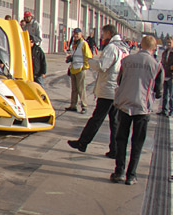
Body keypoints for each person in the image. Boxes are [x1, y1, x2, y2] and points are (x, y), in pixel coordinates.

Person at [67, 24, 128, 155]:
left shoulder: (112, 48)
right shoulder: (123, 47)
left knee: (97, 118)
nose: (102, 36)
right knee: (115, 121)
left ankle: (83, 142)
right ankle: (115, 149)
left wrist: (89, 61)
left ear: (109, 33)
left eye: (103, 33)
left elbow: (102, 66)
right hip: (117, 88)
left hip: (108, 89)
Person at [110, 36, 162, 185]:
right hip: (142, 108)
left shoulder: (127, 61)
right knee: (137, 142)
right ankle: (131, 175)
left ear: (140, 45)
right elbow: (158, 91)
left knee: (121, 139)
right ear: (154, 49)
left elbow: (119, 80)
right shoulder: (157, 65)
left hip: (125, 104)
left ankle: (119, 171)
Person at [66, 27, 92, 113]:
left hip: (80, 68)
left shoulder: (83, 43)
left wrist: (85, 67)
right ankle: (73, 105)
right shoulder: (74, 44)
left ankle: (84, 106)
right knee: (74, 89)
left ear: (81, 35)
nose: (76, 35)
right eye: (75, 34)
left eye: (77, 34)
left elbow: (88, 56)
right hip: (74, 68)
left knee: (81, 88)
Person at [160, 37, 173, 117]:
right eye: (167, 43)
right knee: (164, 94)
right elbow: (162, 63)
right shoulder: (164, 52)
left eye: (170, 43)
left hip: (171, 77)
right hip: (165, 75)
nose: (168, 44)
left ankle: (171, 111)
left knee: (171, 96)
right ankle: (164, 110)